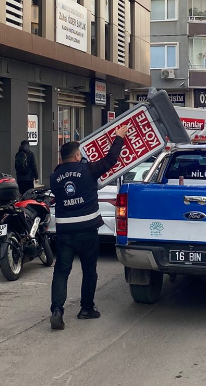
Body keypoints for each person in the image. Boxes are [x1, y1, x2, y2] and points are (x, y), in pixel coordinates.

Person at [49, 124, 128, 330]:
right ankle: (86, 308)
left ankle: (57, 310)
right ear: (76, 156)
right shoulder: (88, 170)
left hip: (65, 233)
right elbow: (111, 160)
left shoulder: (54, 177)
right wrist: (118, 137)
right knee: (89, 271)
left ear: (62, 158)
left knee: (61, 272)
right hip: (87, 231)